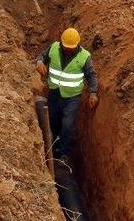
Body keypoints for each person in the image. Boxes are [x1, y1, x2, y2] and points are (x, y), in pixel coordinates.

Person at [35, 28, 98, 164]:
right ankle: (53, 146)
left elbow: (91, 75)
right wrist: (39, 62)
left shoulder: (84, 56)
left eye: (71, 48)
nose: (68, 50)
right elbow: (41, 56)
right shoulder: (54, 48)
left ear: (77, 45)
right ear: (61, 43)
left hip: (72, 97)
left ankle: (64, 154)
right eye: (66, 47)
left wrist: (93, 92)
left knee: (67, 124)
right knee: (53, 120)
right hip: (54, 93)